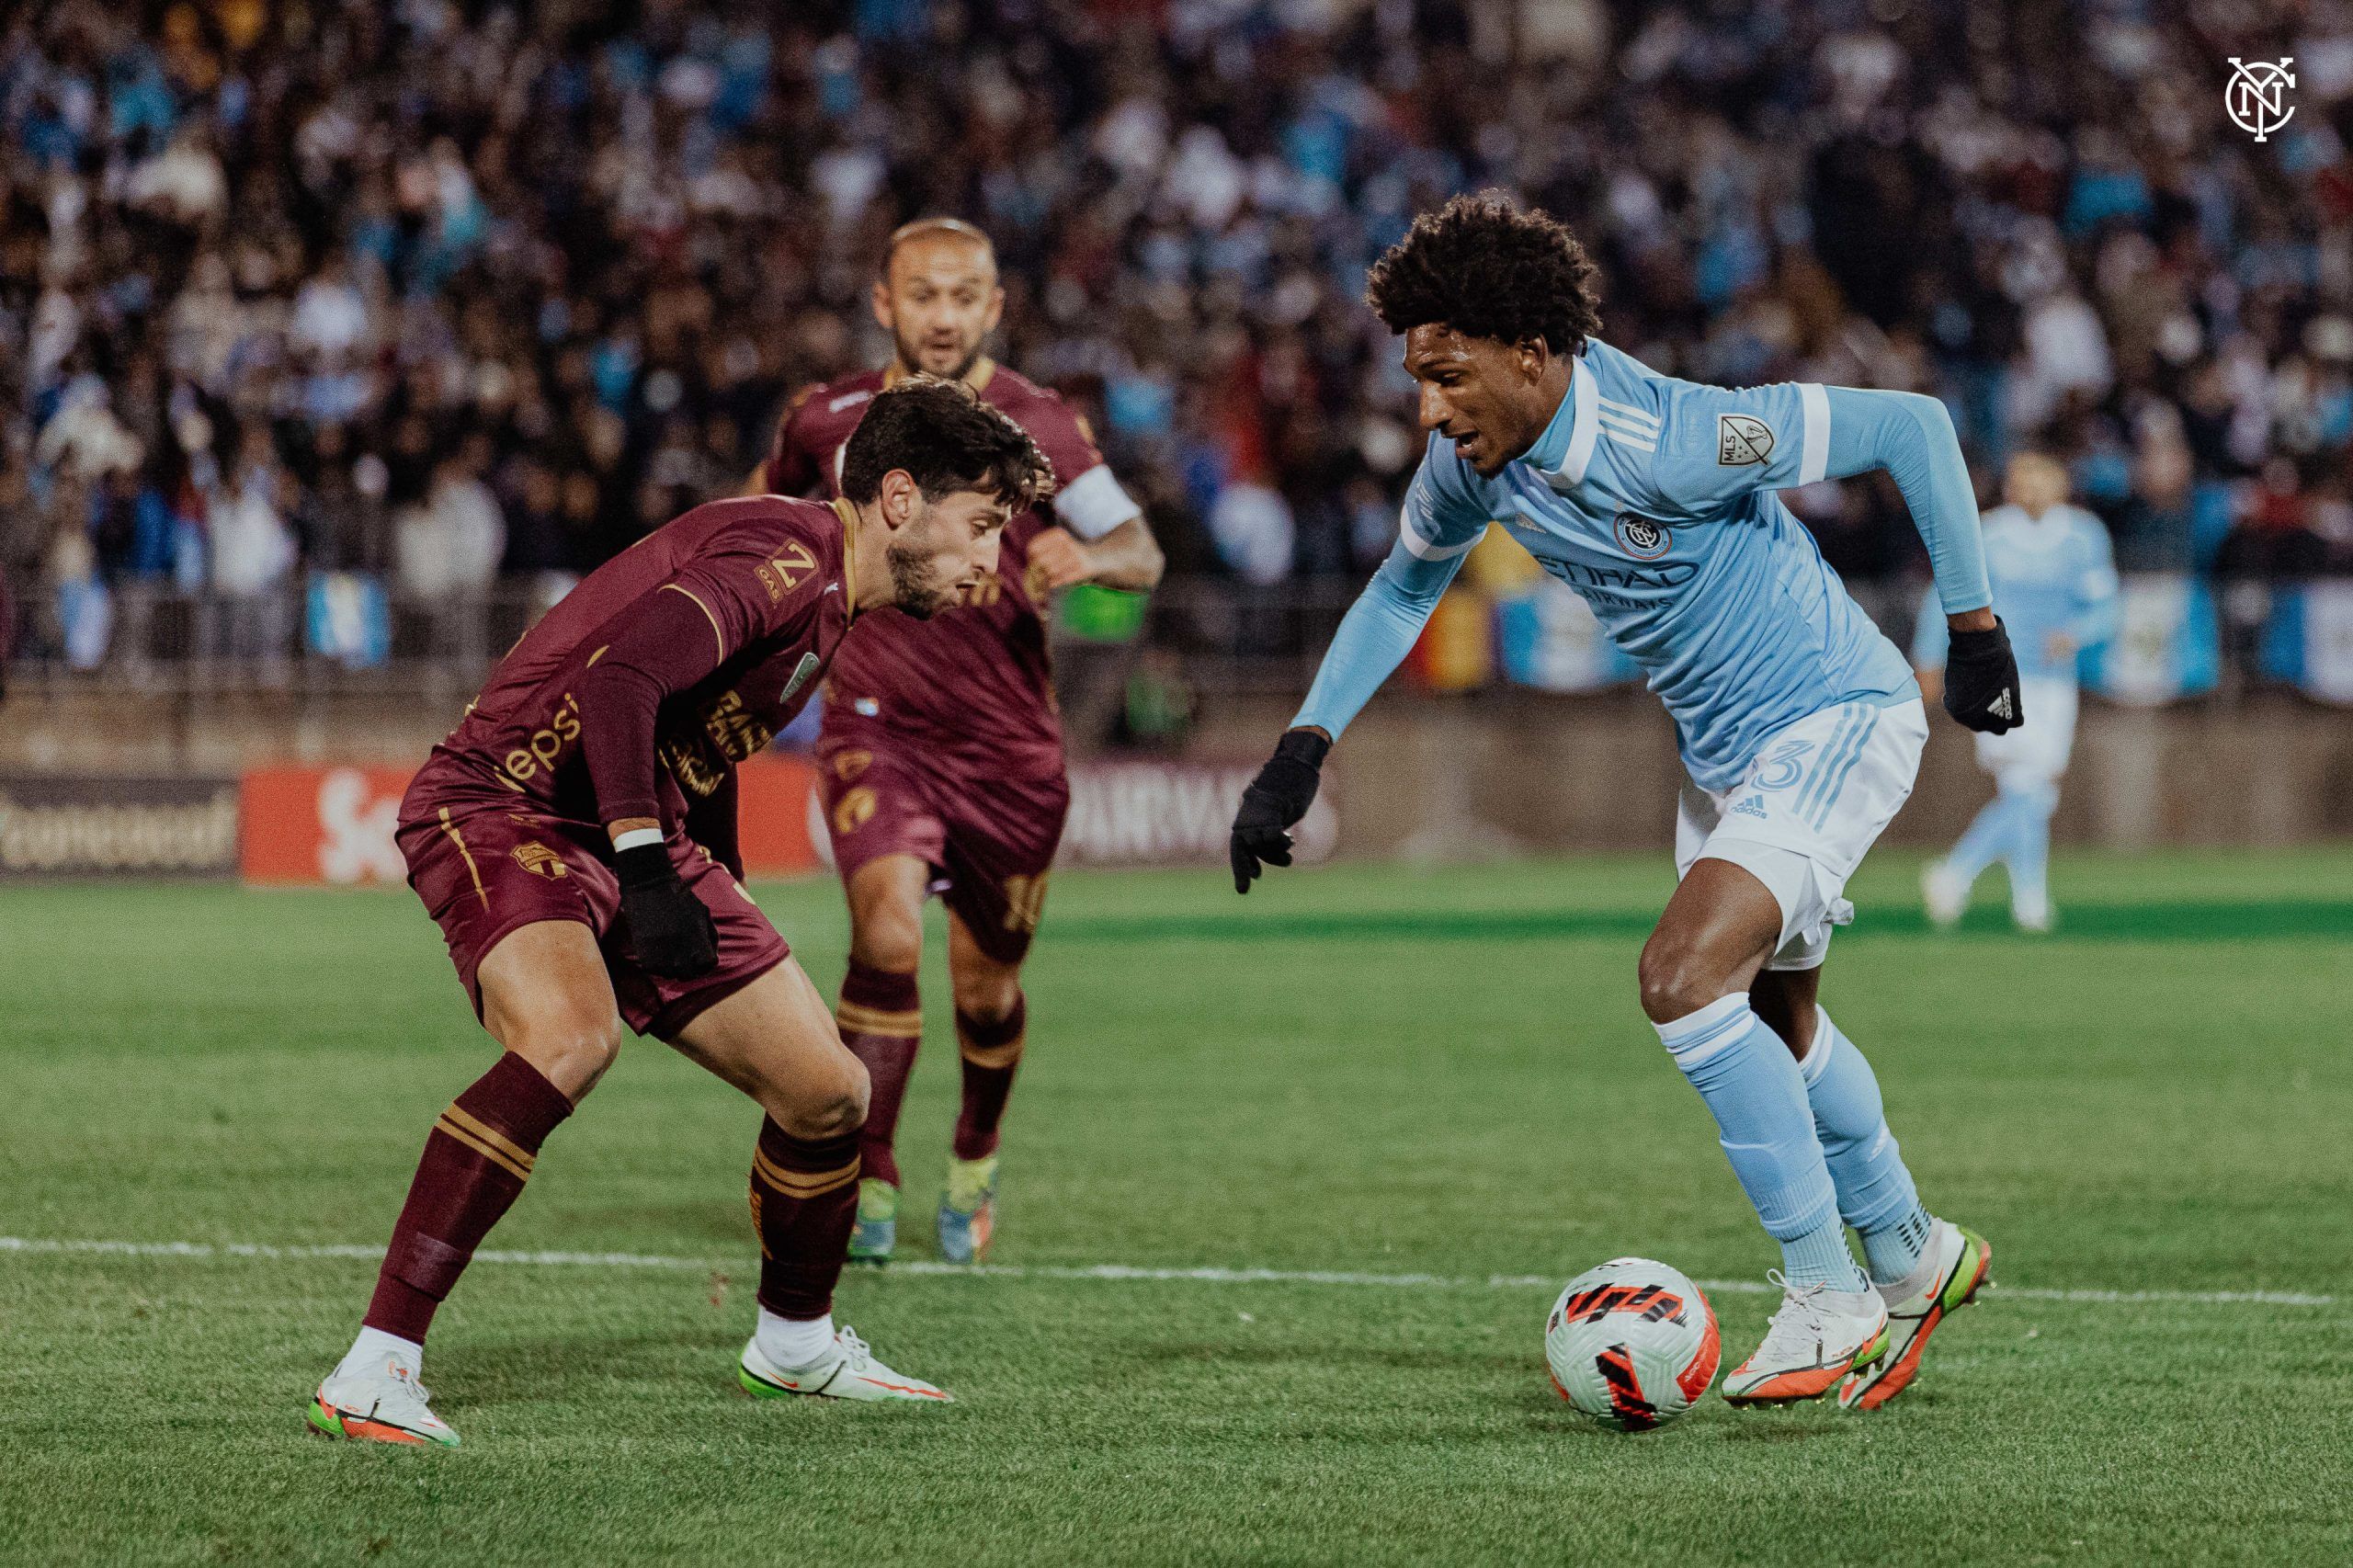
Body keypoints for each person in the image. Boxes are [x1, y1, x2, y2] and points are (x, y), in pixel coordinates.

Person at [1228, 195, 2022, 1411]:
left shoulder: (1681, 435)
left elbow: (1910, 427)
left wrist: (1973, 628)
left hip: (1832, 716)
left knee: (1681, 975)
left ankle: (1828, 1295)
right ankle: (1912, 1251)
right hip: (1723, 764)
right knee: (1780, 1021)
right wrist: (1301, 746)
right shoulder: (1471, 468)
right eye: (1418, 382)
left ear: (1532, 355)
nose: (1429, 410)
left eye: (1448, 376)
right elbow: (1401, 590)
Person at [310, 379, 1053, 1446]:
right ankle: (374, 1364)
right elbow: (622, 686)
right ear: (899, 497)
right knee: (571, 1036)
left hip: (634, 825)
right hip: (508, 803)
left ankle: (793, 1344)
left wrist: (719, 870)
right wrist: (650, 871)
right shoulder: (785, 560)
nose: (992, 558)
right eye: (982, 525)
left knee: (828, 1091)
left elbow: (703, 730)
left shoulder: (830, 592)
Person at [745, 218, 1163, 1265]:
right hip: (875, 723)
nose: (941, 315)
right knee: (885, 937)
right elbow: (757, 520)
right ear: (884, 303)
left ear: (992, 307)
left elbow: (1141, 549)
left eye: (962, 296)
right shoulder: (829, 420)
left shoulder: (1042, 426)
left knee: (985, 985)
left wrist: (1091, 557)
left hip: (1009, 748)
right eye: (920, 295)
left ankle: (973, 1151)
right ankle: (866, 1175)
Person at [1915, 453, 2119, 932]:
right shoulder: (1989, 534)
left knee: (2031, 790)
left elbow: (2107, 608)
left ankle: (1974, 881)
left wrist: (2077, 632)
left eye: (2040, 478)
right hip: (1996, 671)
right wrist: (1928, 658)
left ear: (2061, 483)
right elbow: (1942, 593)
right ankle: (2016, 896)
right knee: (2029, 786)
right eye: (2020, 478)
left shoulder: (2083, 536)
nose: (2029, 487)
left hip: (2054, 681)